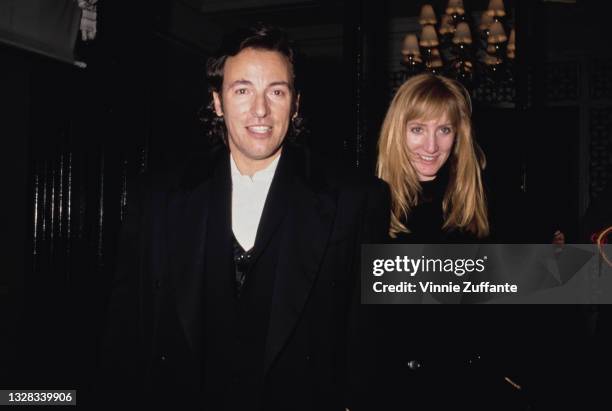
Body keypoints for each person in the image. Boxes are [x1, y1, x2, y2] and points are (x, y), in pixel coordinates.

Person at [100, 24, 390, 411]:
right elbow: (125, 336)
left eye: (276, 91)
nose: (260, 110)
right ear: (217, 102)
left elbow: (367, 347)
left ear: (296, 103)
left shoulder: (355, 199)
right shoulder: (157, 196)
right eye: (242, 90)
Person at [376, 73, 489, 243]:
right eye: (418, 129)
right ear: (397, 131)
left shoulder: (479, 195)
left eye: (444, 130)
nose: (431, 147)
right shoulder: (368, 200)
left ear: (458, 135)